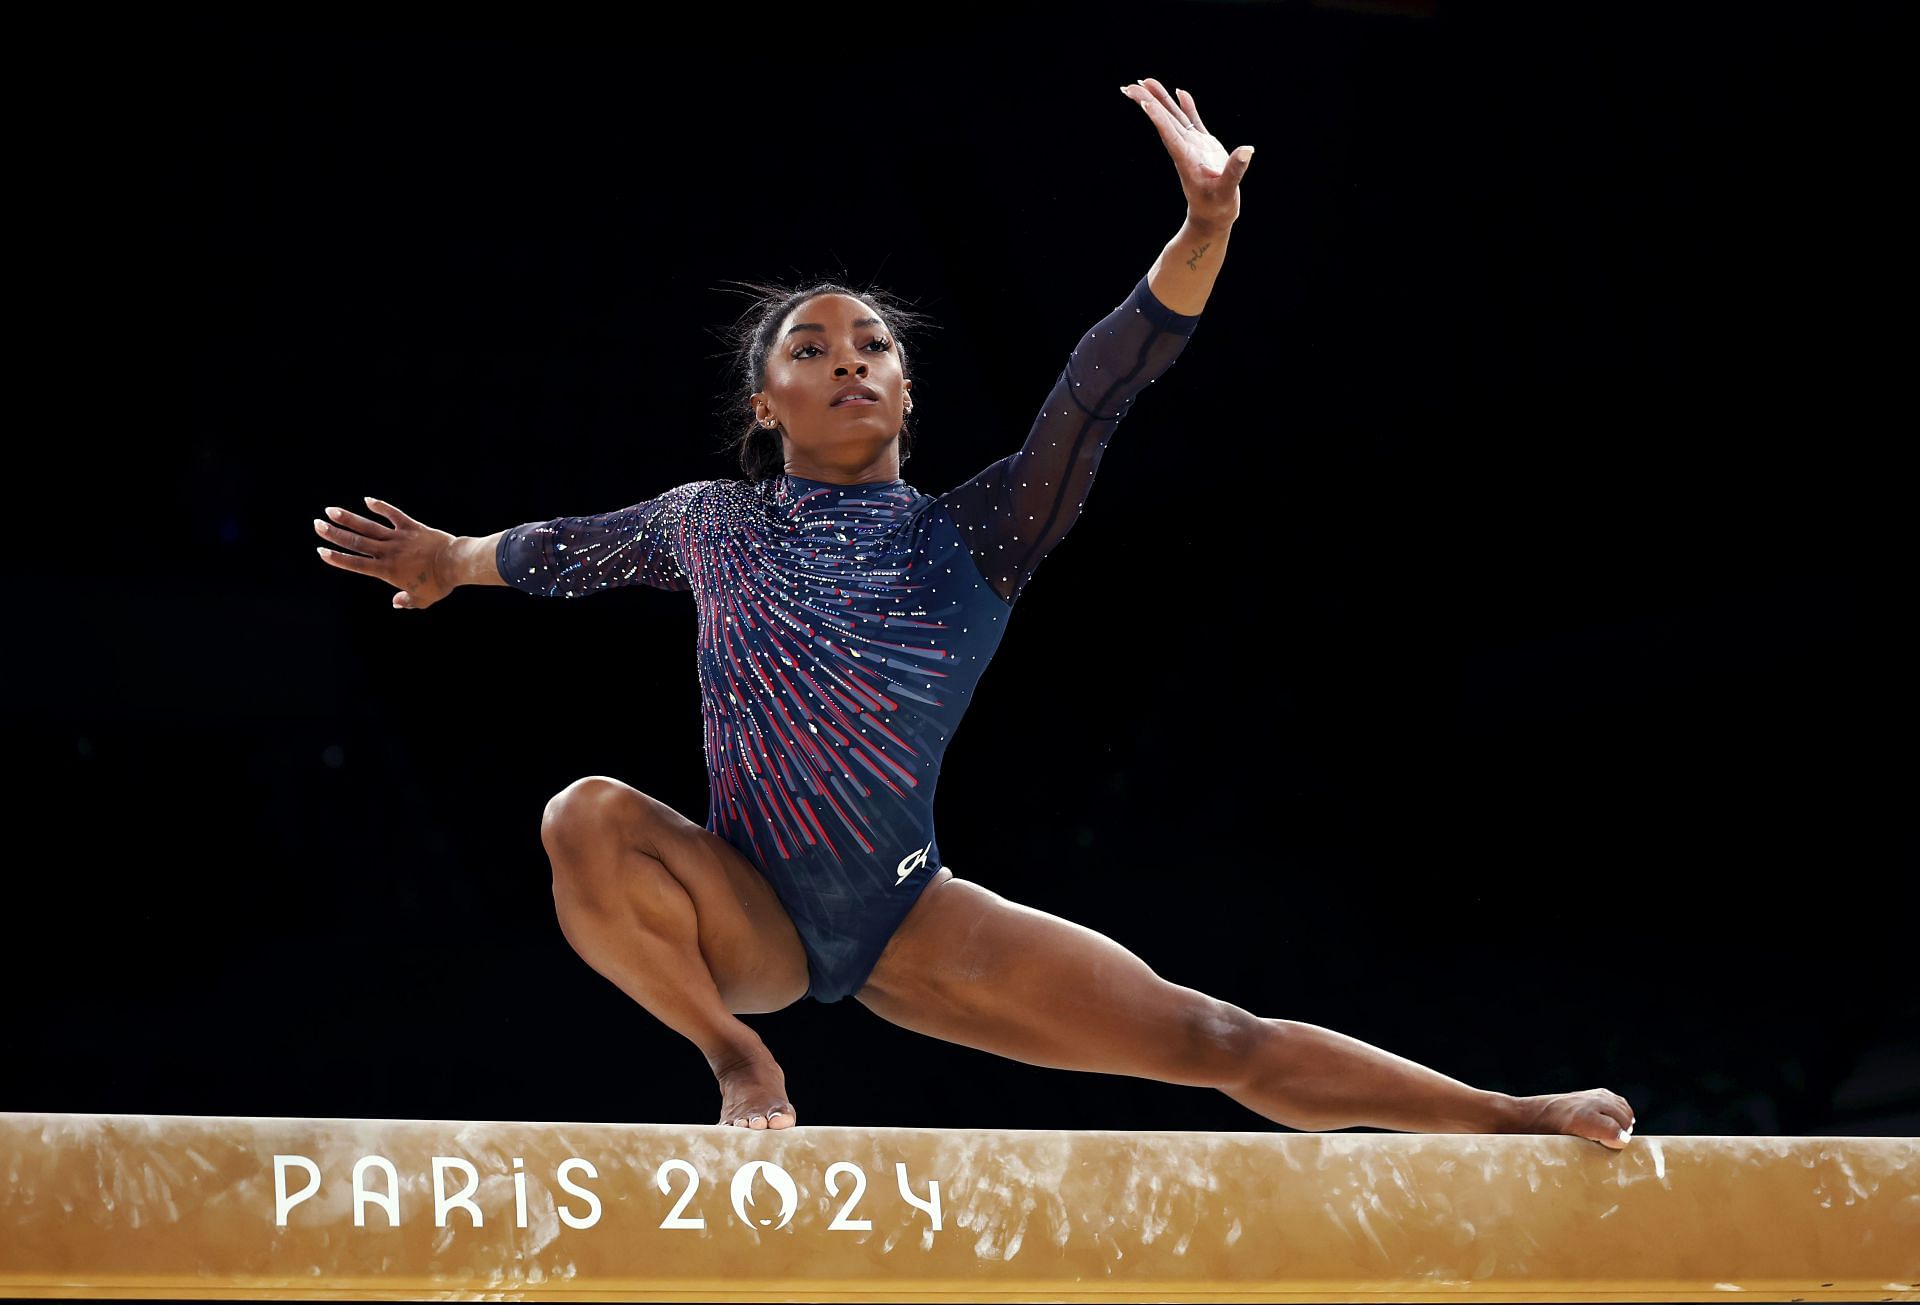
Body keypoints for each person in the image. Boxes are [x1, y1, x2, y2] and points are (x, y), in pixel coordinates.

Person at [315, 77, 1636, 1148]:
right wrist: (455, 556)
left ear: (905, 395)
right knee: (585, 815)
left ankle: (1505, 1111)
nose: (849, 360)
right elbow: (569, 553)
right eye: (812, 349)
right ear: (764, 407)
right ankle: (737, 1058)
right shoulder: (709, 521)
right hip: (744, 916)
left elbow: (1097, 389)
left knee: (1212, 1038)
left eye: (872, 348)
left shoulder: (977, 536)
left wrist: (1205, 232)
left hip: (907, 915)